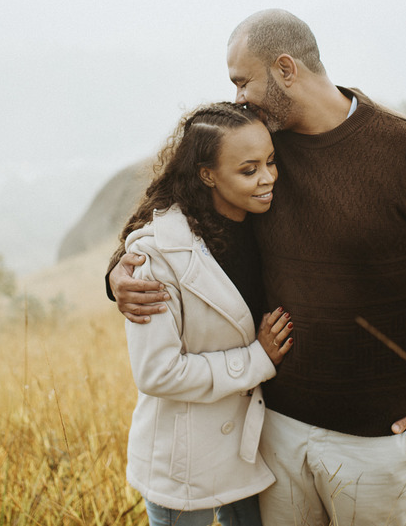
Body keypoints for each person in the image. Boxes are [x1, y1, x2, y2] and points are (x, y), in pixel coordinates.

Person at [109, 10, 406, 526]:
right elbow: (181, 211)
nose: (238, 96)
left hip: (376, 439)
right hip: (273, 432)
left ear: (286, 69)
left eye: (243, 81)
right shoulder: (260, 148)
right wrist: (119, 273)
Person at [118, 101, 294, 526]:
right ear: (207, 174)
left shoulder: (268, 226)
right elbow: (157, 373)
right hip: (183, 462)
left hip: (252, 454)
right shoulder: (156, 254)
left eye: (270, 162)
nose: (267, 178)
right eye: (248, 170)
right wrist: (258, 360)